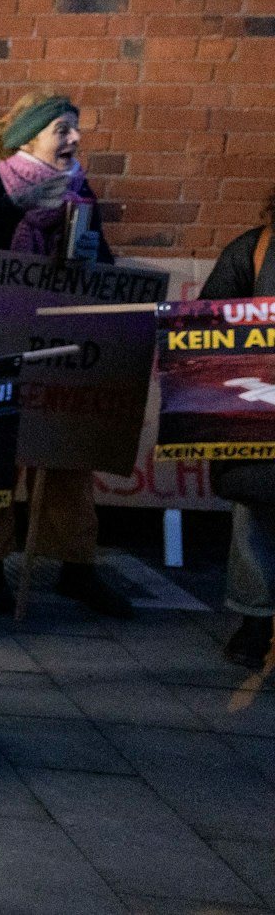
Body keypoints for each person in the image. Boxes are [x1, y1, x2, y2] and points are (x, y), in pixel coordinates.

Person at [0, 92, 131, 618]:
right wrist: (16, 207)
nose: (74, 139)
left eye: (76, 128)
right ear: (30, 138)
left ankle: (76, 565)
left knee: (66, 451)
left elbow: (105, 262)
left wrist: (94, 258)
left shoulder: (78, 189)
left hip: (60, 344)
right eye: (63, 129)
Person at [201, 184, 275, 668]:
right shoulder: (253, 249)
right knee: (258, 514)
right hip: (259, 413)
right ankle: (255, 621)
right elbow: (203, 330)